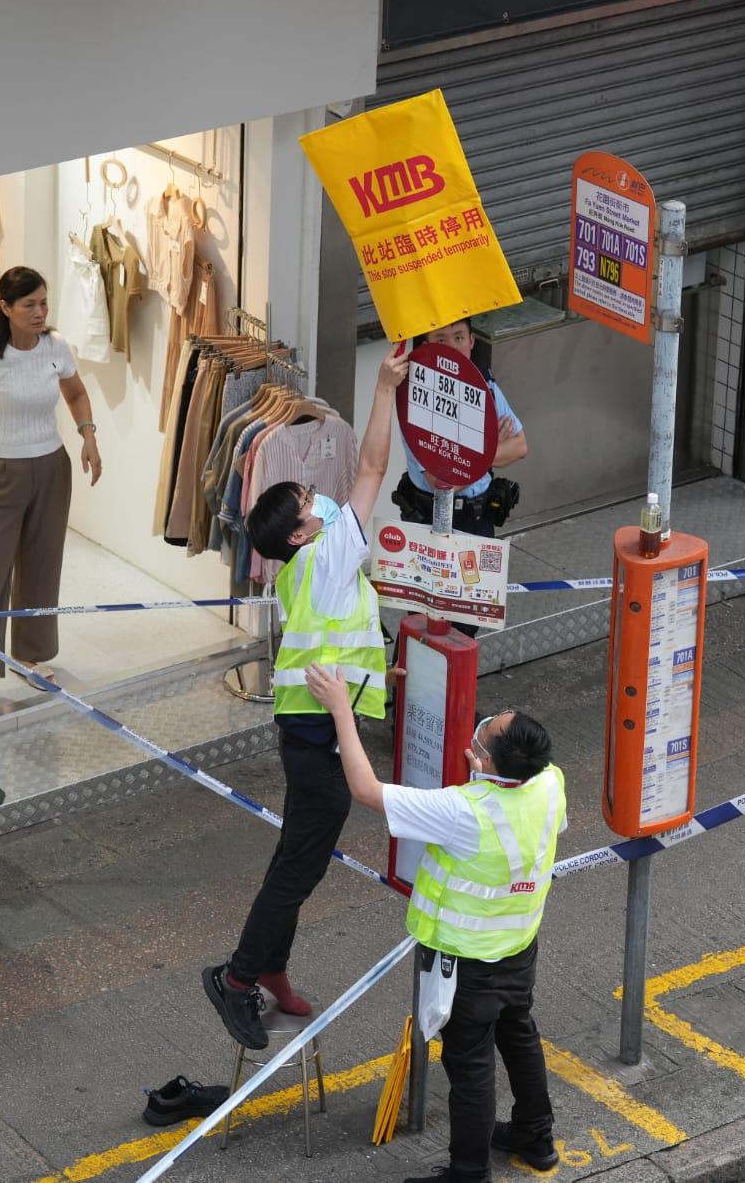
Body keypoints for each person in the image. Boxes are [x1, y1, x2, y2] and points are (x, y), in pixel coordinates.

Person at [202, 340, 414, 1050]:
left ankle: (272, 971)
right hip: (320, 734)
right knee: (299, 865)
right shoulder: (329, 552)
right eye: (307, 500)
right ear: (301, 530)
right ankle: (235, 978)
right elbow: (375, 466)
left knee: (299, 858)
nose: (320, 496)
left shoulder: (299, 565)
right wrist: (384, 388)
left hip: (310, 728)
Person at [306, 664, 566, 1183]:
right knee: (519, 1034)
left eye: (488, 726)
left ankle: (468, 1173)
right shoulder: (550, 783)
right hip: (518, 945)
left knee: (469, 1066)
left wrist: (340, 707)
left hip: (466, 960)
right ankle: (535, 1137)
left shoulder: (463, 810)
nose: (485, 719)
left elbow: (365, 788)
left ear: (484, 759)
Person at [0, 267, 102, 728]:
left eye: (44, 303)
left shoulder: (56, 348)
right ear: (5, 308)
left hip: (51, 467)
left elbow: (75, 393)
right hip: (0, 470)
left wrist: (88, 436)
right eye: (29, 305)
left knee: (42, 563)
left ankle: (30, 657)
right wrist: (4, 441)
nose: (40, 313)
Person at [393, 317, 527, 541]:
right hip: (431, 521)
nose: (453, 347)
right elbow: (441, 484)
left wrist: (469, 460)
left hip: (479, 518)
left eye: (459, 338)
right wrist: (487, 450)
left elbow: (520, 446)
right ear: (427, 346)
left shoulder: (486, 386)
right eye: (441, 339)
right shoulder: (416, 396)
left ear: (472, 341)